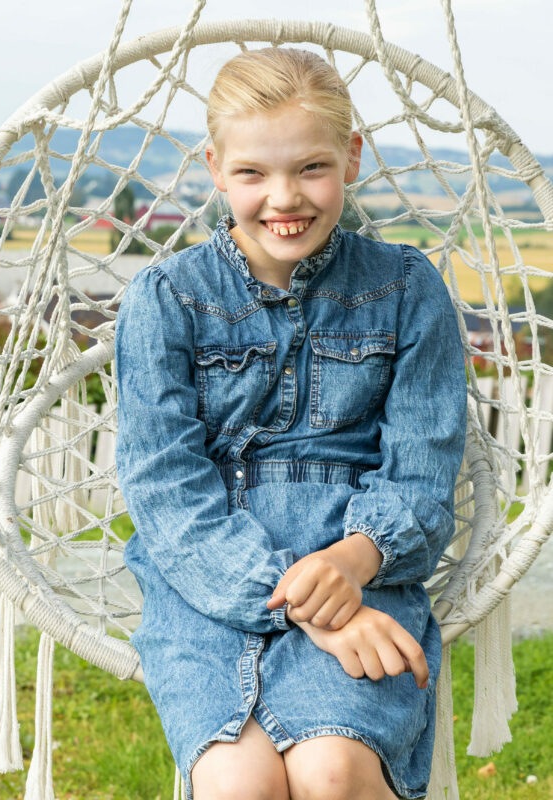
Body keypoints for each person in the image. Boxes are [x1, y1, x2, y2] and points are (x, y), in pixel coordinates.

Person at [114, 46, 467, 800]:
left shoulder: (407, 289)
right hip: (208, 577)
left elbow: (422, 473)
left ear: (352, 155)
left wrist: (349, 566)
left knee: (331, 771)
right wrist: (302, 599)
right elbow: (165, 489)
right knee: (240, 783)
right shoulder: (166, 298)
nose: (285, 198)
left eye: (311, 168)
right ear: (214, 167)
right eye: (252, 173)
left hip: (362, 570)